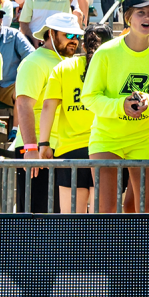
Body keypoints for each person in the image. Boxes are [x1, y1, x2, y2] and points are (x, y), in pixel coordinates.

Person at [82, 0, 149, 214]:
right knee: (106, 210)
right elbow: (89, 97)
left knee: (146, 209)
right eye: (141, 13)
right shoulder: (105, 52)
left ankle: (143, 251)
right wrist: (121, 106)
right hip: (107, 138)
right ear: (128, 17)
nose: (147, 19)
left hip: (144, 138)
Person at [40, 23, 113, 214]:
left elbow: (48, 106)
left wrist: (44, 143)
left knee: (71, 221)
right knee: (103, 224)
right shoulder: (114, 67)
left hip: (70, 150)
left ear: (83, 44)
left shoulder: (64, 66)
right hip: (106, 148)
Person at [13, 11, 80, 212]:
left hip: (62, 149)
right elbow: (23, 104)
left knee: (62, 222)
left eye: (76, 36)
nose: (74, 40)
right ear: (51, 34)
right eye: (68, 35)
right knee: (37, 219)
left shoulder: (70, 62)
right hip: (37, 151)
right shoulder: (34, 62)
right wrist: (31, 148)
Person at [0, 3, 32, 106]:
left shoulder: (14, 35)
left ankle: (16, 123)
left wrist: (22, 78)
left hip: (9, 86)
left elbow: (31, 57)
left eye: (0, 16)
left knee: (22, 94)